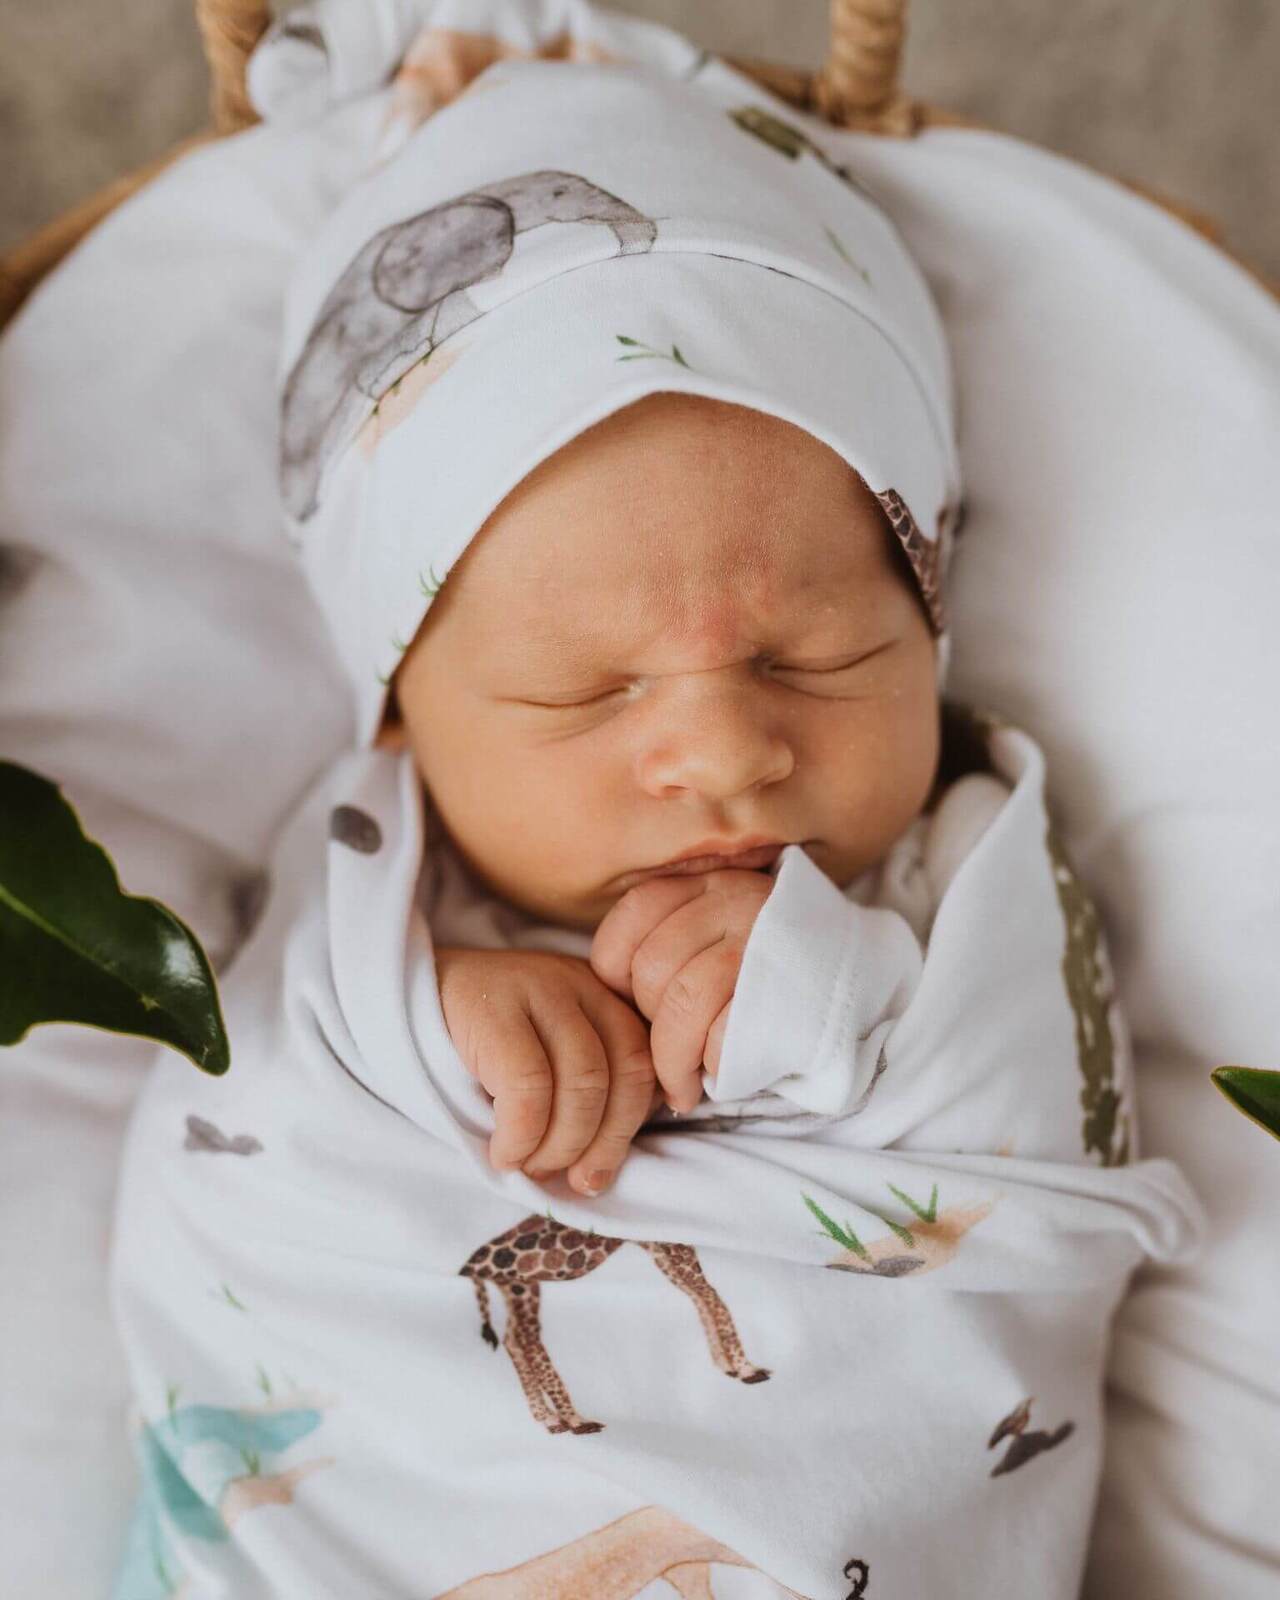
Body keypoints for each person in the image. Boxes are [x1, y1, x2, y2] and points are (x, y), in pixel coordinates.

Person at [109, 38, 1199, 1600]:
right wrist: (437, 1020)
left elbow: (1042, 1120)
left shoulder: (954, 865)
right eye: (587, 691)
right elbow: (236, 1143)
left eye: (814, 658)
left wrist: (826, 991)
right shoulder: (368, 895)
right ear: (401, 711)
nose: (727, 755)